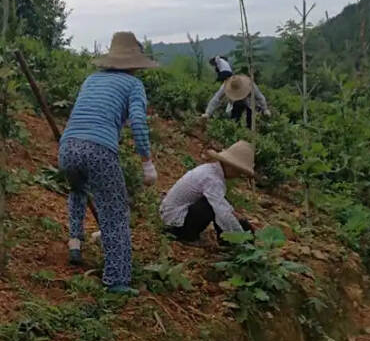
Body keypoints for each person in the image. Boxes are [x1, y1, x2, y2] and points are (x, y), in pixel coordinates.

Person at [58, 32, 157, 294]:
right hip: (99, 150)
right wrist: (147, 161)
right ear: (136, 62)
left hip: (67, 146)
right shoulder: (133, 85)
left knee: (78, 189)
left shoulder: (91, 80)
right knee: (115, 213)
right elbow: (138, 121)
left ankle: (75, 242)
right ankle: (116, 280)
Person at [161, 141, 255, 242]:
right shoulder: (213, 179)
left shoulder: (210, 171)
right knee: (211, 206)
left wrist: (236, 216)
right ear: (231, 167)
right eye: (239, 172)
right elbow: (221, 212)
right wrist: (239, 236)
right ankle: (186, 236)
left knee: (220, 203)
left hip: (171, 213)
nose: (237, 176)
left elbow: (222, 203)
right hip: (175, 220)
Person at [204, 73, 270, 128]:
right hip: (234, 102)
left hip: (249, 101)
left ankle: (249, 129)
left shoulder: (250, 85)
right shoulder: (225, 86)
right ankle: (235, 126)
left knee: (250, 116)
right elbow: (216, 98)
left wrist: (265, 109)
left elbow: (260, 97)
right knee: (235, 115)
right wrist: (208, 113)